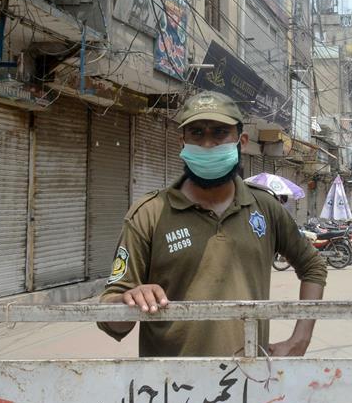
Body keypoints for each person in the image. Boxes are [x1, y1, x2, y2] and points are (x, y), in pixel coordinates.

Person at [97, 91, 328, 357]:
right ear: (181, 142)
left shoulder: (265, 208)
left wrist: (300, 339)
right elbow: (111, 315)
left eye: (219, 133)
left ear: (241, 141)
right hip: (170, 388)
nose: (207, 144)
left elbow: (313, 266)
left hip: (248, 380)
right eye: (196, 133)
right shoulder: (149, 214)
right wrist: (130, 298)